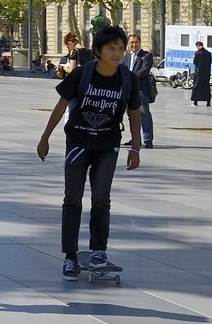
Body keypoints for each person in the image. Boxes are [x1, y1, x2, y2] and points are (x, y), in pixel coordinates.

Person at [36, 24, 143, 279]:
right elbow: (61, 106)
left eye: (120, 48)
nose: (117, 54)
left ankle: (98, 251)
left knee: (101, 199)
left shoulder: (128, 79)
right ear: (98, 51)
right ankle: (70, 255)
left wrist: (136, 147)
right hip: (78, 143)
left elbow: (135, 113)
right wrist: (45, 137)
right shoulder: (82, 74)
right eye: (111, 49)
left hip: (108, 145)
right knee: (72, 199)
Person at [124, 33, 157, 148]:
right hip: (128, 91)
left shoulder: (146, 56)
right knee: (131, 115)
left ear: (140, 43)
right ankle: (135, 139)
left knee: (144, 114)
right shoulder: (126, 57)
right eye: (131, 42)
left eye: (136, 42)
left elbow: (144, 72)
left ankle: (148, 140)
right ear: (128, 44)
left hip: (140, 91)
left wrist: (128, 77)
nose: (133, 44)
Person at [191, 40, 212, 106]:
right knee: (206, 87)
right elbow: (210, 62)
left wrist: (194, 58)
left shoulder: (197, 53)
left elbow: (195, 62)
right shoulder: (208, 53)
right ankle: (208, 101)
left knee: (196, 86)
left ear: (197, 46)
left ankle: (195, 101)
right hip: (206, 73)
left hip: (198, 73)